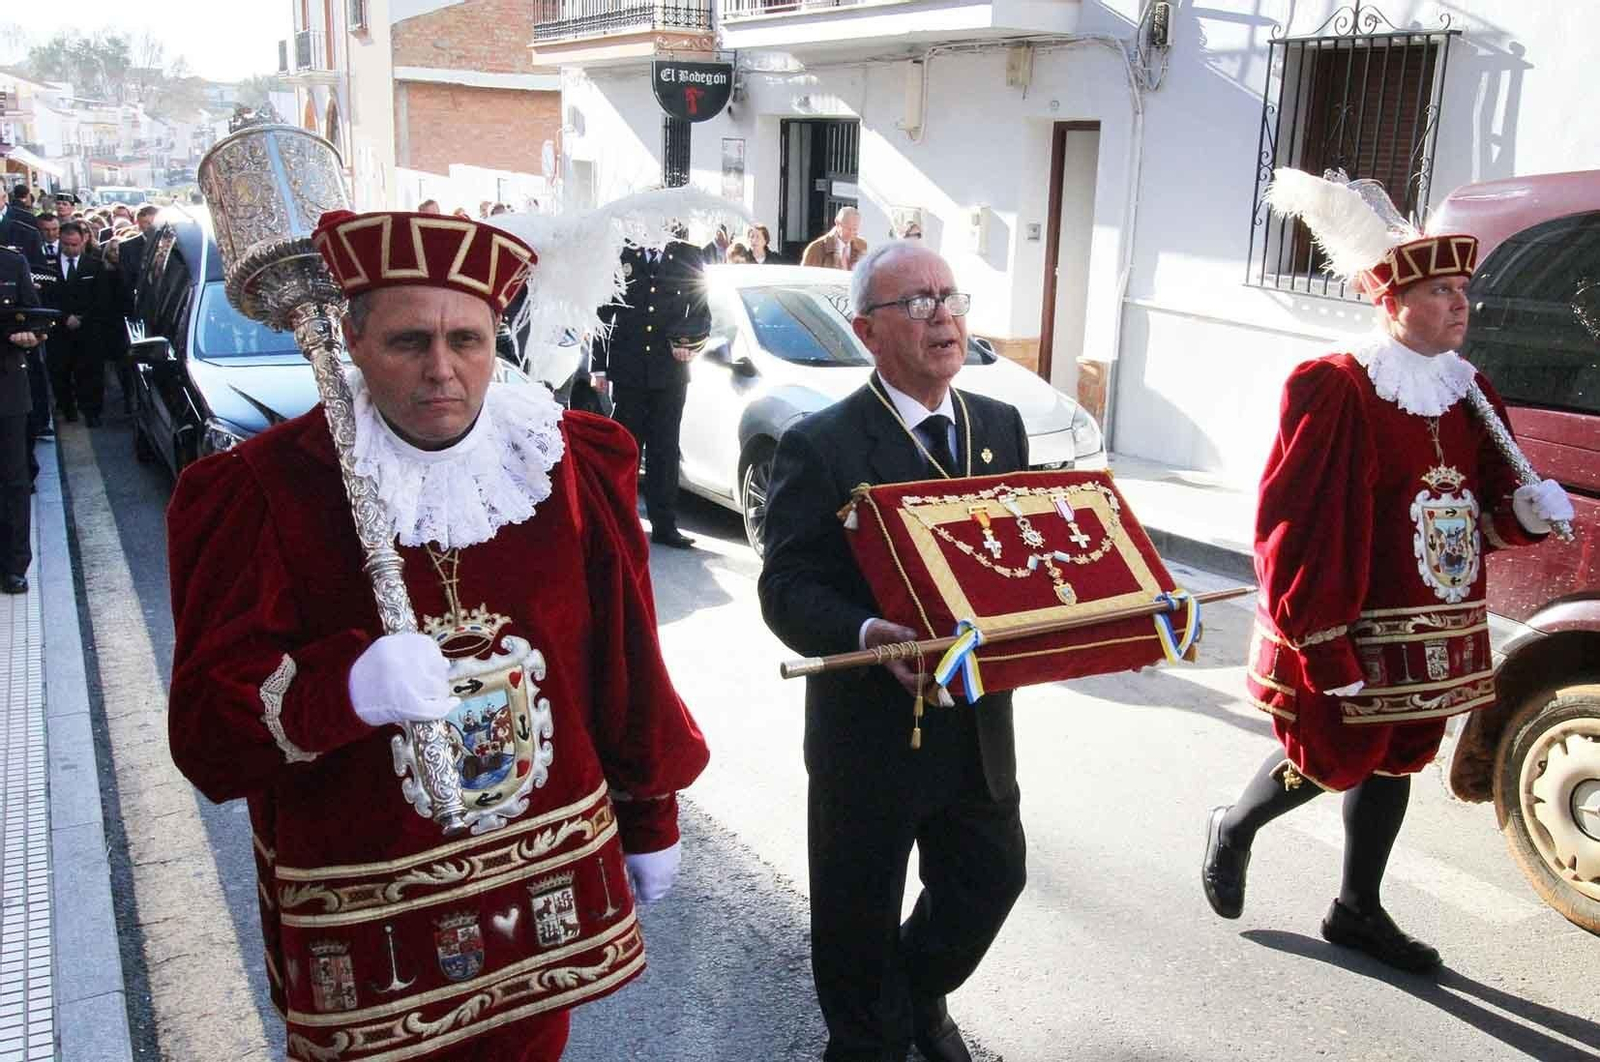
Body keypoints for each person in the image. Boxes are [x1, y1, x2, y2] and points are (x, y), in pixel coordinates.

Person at [166, 207, 710, 1061]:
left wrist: (651, 812)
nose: (443, 371)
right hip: (374, 918)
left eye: (468, 340)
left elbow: (625, 664)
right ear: (349, 339)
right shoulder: (261, 489)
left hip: (542, 886)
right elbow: (205, 734)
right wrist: (341, 691)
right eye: (408, 341)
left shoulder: (564, 463)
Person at [1201, 169, 1575, 973]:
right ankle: (1234, 825)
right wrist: (1322, 642)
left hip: (1436, 622)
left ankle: (1357, 907)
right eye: (1440, 290)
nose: (1460, 304)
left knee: (1400, 754)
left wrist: (1526, 512)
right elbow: (1293, 525)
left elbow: (1483, 512)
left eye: (1463, 290)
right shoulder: (1336, 385)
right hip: (1352, 617)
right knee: (1329, 752)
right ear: (1391, 300)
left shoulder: (1470, 389)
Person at [758, 241, 1028, 1062]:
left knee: (989, 881)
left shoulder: (1001, 426)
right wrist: (867, 634)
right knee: (856, 919)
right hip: (869, 735)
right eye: (914, 303)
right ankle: (869, 1041)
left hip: (976, 724)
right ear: (867, 332)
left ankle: (914, 997)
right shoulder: (823, 444)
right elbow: (787, 586)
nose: (941, 315)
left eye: (949, 296)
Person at [590, 234, 709, 549]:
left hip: (670, 370)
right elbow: (603, 312)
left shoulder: (688, 255)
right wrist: (598, 366)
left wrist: (687, 341)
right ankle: (622, 521)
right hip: (628, 368)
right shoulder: (621, 254)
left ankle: (665, 524)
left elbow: (701, 311)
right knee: (627, 447)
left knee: (665, 449)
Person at [0, 246, 42, 593]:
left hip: (7, 389)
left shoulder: (13, 262)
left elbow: (33, 317)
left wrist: (32, 336)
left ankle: (14, 565)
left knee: (14, 481)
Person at [45, 220, 115, 425]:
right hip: (59, 330)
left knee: (91, 373)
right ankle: (68, 409)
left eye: (75, 245)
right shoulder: (49, 267)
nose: (71, 249)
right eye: (66, 244)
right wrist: (64, 317)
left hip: (89, 330)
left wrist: (82, 318)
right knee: (60, 372)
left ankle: (92, 413)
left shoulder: (95, 266)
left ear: (83, 241)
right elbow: (47, 298)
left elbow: (102, 299)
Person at [801, 207, 867, 271]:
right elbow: (806, 278)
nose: (851, 233)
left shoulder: (862, 245)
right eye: (848, 229)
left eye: (855, 229)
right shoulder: (816, 249)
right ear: (837, 223)